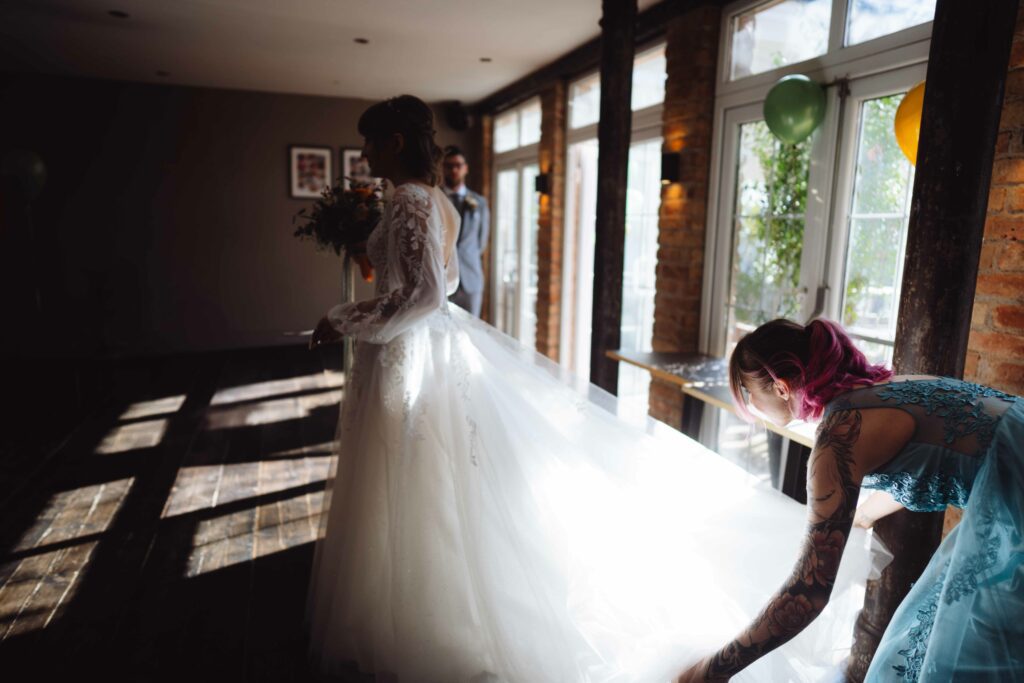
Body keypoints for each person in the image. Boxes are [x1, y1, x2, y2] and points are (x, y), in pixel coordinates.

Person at [303, 96, 880, 683]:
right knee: (429, 478)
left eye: (371, 142)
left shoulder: (405, 198)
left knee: (407, 476)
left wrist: (345, 315)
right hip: (429, 347)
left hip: (410, 353)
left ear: (396, 142)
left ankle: (414, 614)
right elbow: (445, 281)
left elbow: (425, 295)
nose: (367, 153)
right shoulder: (440, 202)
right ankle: (429, 605)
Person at [675, 318, 1024, 683]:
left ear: (779, 387)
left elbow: (808, 591)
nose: (752, 407)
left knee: (955, 656)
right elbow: (932, 461)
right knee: (922, 639)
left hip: (1014, 507)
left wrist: (711, 671)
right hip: (1012, 475)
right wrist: (861, 515)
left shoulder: (836, 442)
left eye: (749, 395)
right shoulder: (884, 387)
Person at [441, 145, 489, 317]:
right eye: (449, 165)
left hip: (471, 281)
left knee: (471, 334)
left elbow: (481, 242)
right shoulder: (435, 200)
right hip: (441, 281)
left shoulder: (479, 202)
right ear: (442, 168)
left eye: (458, 165)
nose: (454, 169)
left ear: (465, 168)